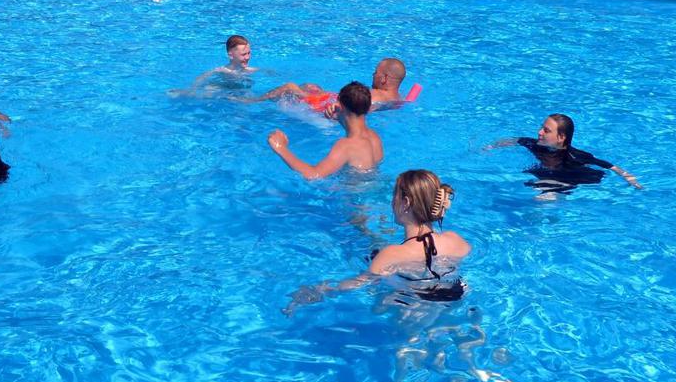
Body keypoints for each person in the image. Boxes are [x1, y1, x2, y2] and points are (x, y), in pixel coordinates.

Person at [284, 169, 471, 316]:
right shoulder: (455, 240)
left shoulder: (392, 254)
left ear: (406, 203)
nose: (392, 203)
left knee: (378, 306)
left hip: (413, 312)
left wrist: (319, 290)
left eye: (394, 196)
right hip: (456, 300)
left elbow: (358, 283)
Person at [487, 113, 642, 191]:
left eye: (546, 130)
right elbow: (515, 140)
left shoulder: (576, 156)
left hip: (568, 176)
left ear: (561, 137)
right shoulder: (535, 144)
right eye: (541, 127)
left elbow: (610, 166)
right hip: (547, 173)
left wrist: (630, 179)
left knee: (546, 197)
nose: (539, 132)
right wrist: (489, 147)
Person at [267, 81, 383, 179]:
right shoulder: (374, 136)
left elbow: (313, 175)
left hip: (353, 199)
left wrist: (281, 148)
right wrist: (339, 116)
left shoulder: (346, 146)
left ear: (340, 106)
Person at [251, 57, 407, 113]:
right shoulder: (398, 99)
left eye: (376, 72)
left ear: (384, 78)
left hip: (327, 105)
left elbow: (347, 105)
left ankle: (252, 101)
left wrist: (323, 98)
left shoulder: (373, 94)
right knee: (311, 86)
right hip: (333, 99)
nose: (373, 75)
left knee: (289, 87)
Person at [184, 35, 257, 91]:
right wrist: (192, 89)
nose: (247, 57)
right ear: (231, 55)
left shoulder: (250, 70)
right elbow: (202, 77)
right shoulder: (223, 70)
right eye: (243, 54)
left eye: (249, 53)